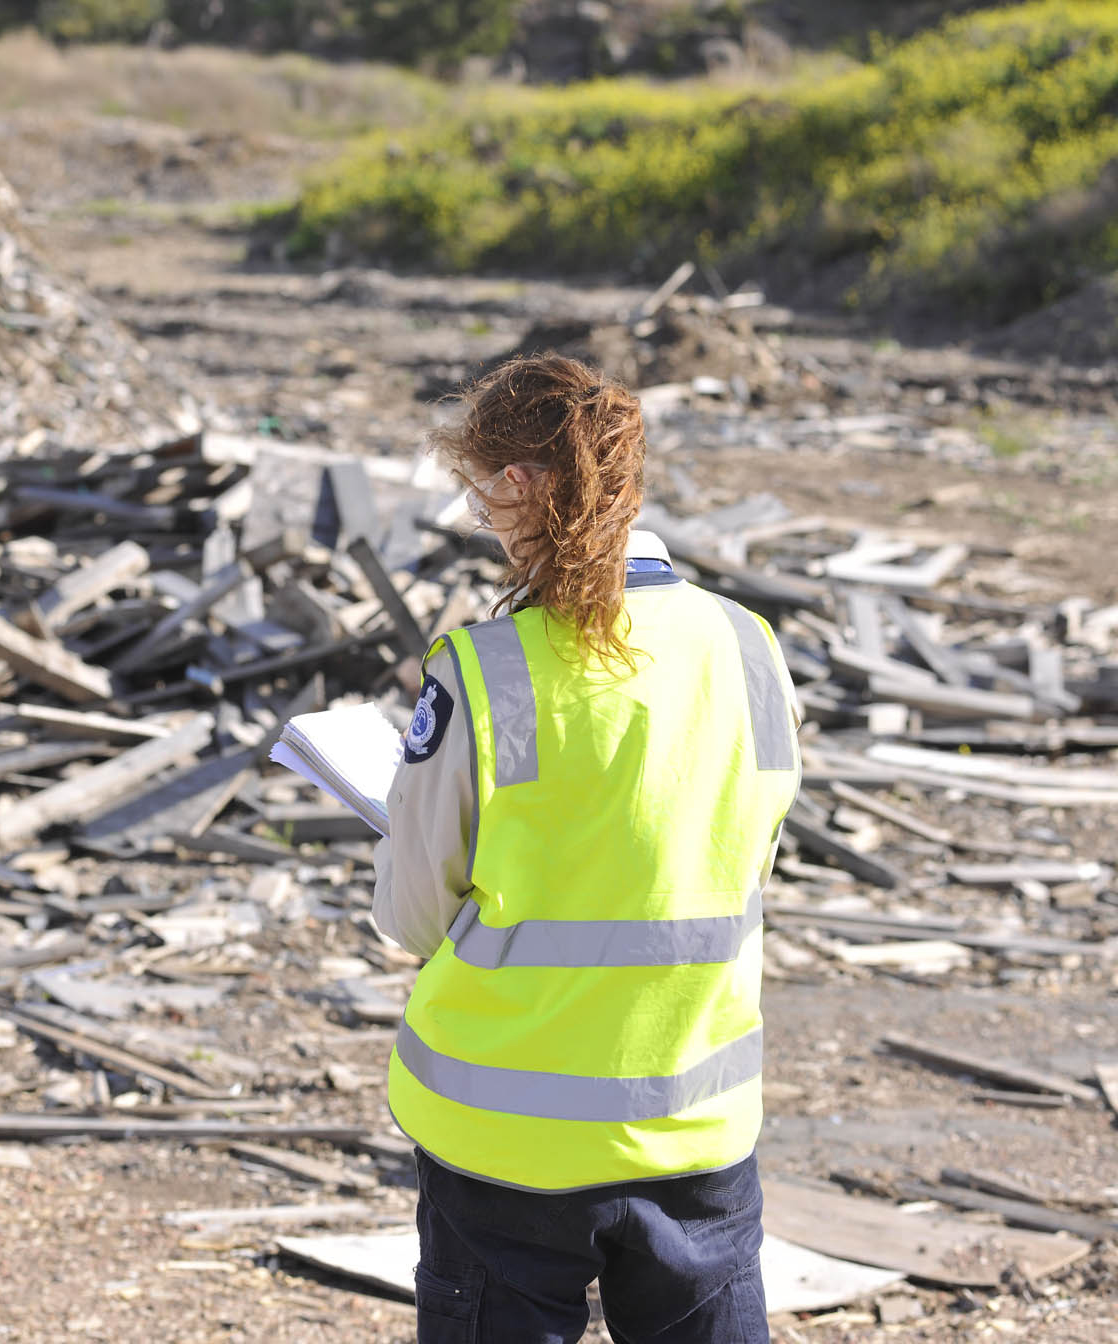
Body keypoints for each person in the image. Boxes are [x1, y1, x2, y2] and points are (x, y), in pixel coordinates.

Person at [373, 353, 801, 1344]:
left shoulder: (485, 673)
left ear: (520, 485)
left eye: (483, 491)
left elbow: (410, 919)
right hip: (695, 1122)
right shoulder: (746, 646)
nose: (482, 514)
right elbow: (745, 853)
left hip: (505, 1147)